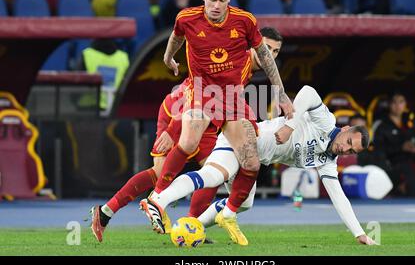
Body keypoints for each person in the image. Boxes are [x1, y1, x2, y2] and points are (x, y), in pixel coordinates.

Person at [89, 27, 284, 242]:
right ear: (255, 44)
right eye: (267, 48)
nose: (270, 56)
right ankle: (117, 209)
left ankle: (193, 224)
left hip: (208, 120)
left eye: (275, 52)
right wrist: (174, 128)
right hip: (178, 109)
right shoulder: (237, 60)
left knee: (213, 172)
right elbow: (197, 90)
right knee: (160, 170)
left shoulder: (247, 67)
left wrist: (251, 123)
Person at [141, 0, 293, 242]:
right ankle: (157, 200)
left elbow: (265, 57)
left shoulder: (244, 21)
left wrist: (280, 93)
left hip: (232, 99)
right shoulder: (187, 18)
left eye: (222, 0)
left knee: (251, 162)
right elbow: (176, 37)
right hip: (202, 91)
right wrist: (168, 58)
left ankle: (228, 212)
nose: (216, 6)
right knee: (188, 142)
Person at [144, 85, 377, 246]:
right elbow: (308, 92)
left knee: (244, 202)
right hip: (245, 138)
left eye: (351, 151)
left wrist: (359, 233)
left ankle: (194, 226)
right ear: (345, 130)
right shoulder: (327, 122)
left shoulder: (327, 161)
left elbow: (339, 197)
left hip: (253, 161)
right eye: (348, 142)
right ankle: (158, 200)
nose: (345, 150)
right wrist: (291, 126)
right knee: (213, 176)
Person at [373, 92, 415, 196]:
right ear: (389, 104)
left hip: (414, 162)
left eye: (401, 102)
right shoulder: (381, 124)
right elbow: (377, 151)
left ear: (405, 104)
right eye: (394, 102)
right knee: (406, 170)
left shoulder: (410, 122)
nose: (397, 106)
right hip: (392, 165)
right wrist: (401, 148)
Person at [80, 39, 129, 112]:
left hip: (88, 108)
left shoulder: (86, 54)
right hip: (115, 108)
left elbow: (77, 84)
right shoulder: (123, 57)